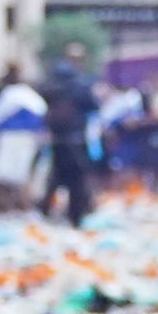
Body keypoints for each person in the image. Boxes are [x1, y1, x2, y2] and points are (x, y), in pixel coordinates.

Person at [41, 42, 99, 225]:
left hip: (56, 139)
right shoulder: (81, 85)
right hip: (75, 139)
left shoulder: (51, 83)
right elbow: (93, 106)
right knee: (76, 180)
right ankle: (75, 216)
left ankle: (44, 210)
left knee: (56, 177)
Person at [0, 68, 48, 208]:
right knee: (22, 175)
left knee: (1, 175)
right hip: (30, 138)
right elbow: (42, 114)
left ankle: (7, 206)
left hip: (9, 137)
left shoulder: (8, 94)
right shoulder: (32, 95)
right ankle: (21, 206)